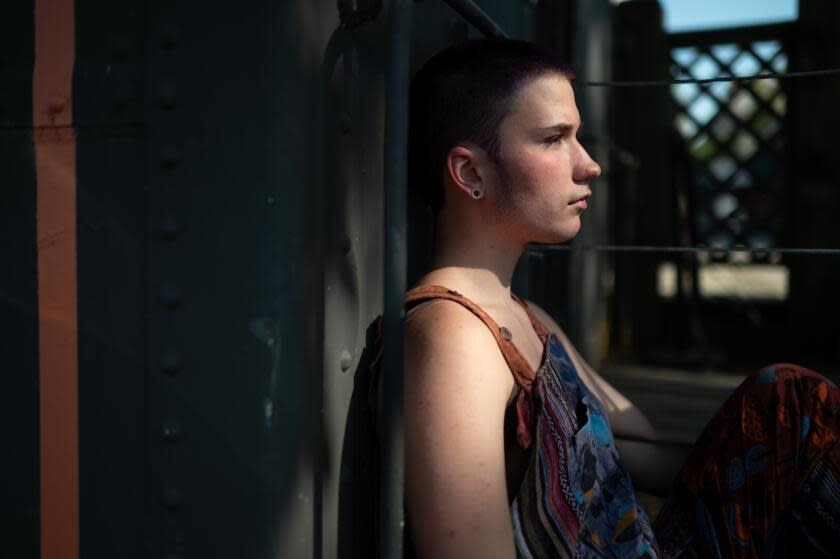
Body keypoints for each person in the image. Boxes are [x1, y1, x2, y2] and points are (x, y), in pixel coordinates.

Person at [358, 38, 840, 559]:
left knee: (786, 402)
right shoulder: (451, 340)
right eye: (553, 139)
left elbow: (644, 449)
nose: (589, 165)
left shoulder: (527, 317)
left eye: (578, 136)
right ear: (470, 172)